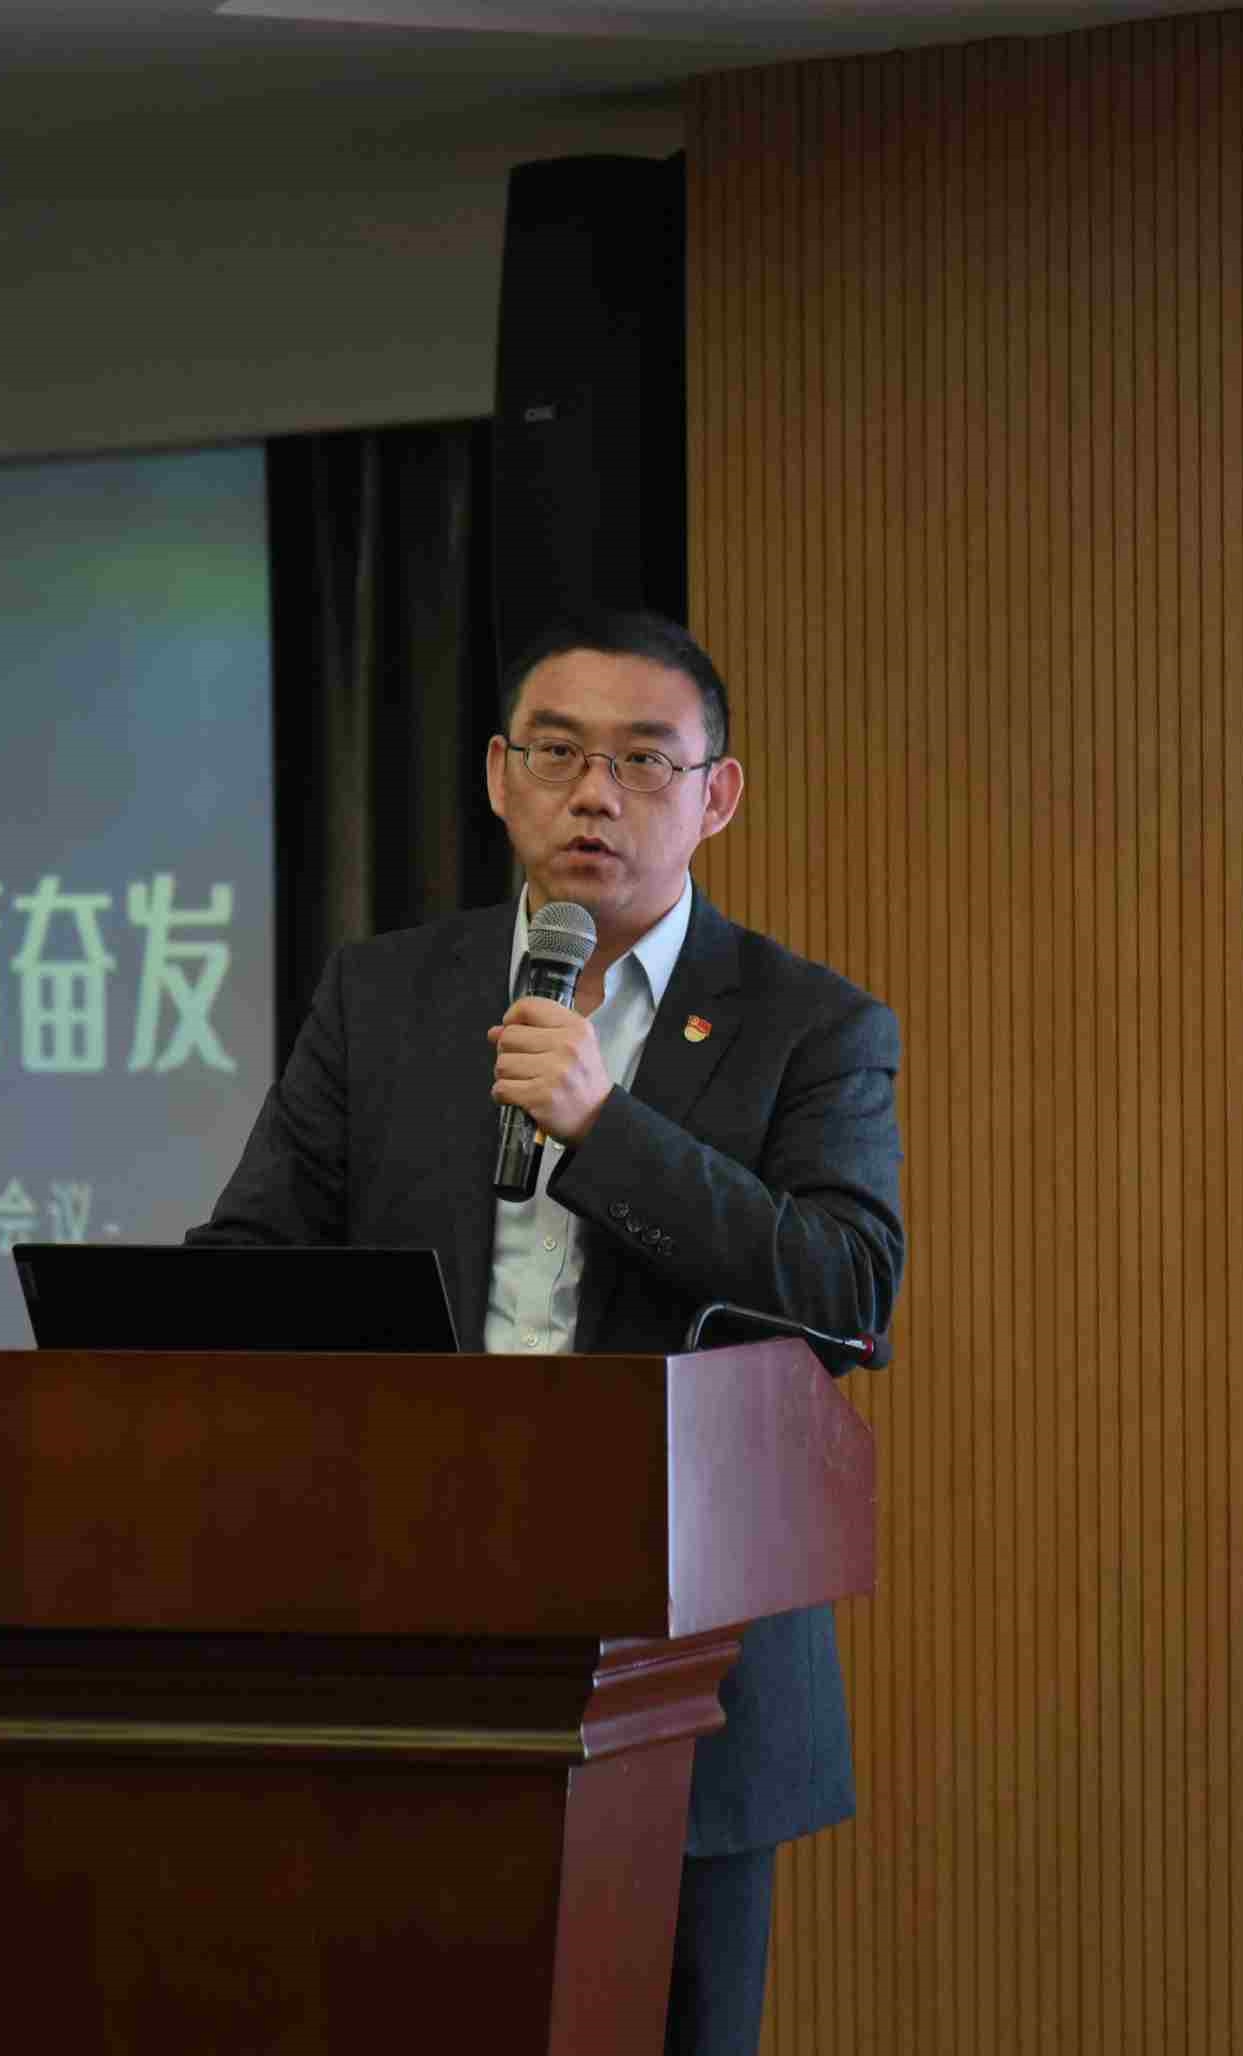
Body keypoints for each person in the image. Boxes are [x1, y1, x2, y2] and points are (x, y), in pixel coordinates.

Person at [191, 608, 906, 2055]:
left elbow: (847, 1292)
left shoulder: (809, 1024)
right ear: (497, 776)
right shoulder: (386, 996)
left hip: (686, 1661)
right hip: (411, 1632)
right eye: (559, 754)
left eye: (644, 761)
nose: (595, 795)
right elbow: (254, 1256)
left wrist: (603, 1127)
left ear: (717, 795)